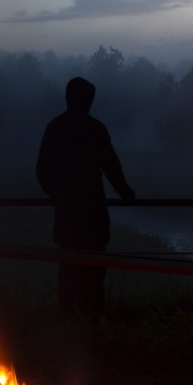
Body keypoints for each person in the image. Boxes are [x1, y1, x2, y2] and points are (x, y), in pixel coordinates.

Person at [36, 77, 135, 320]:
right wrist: (125, 193)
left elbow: (42, 170)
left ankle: (68, 326)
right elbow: (111, 166)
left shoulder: (55, 127)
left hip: (67, 215)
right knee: (94, 272)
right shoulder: (95, 129)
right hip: (93, 214)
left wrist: (58, 195)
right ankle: (93, 326)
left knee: (68, 269)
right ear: (87, 100)